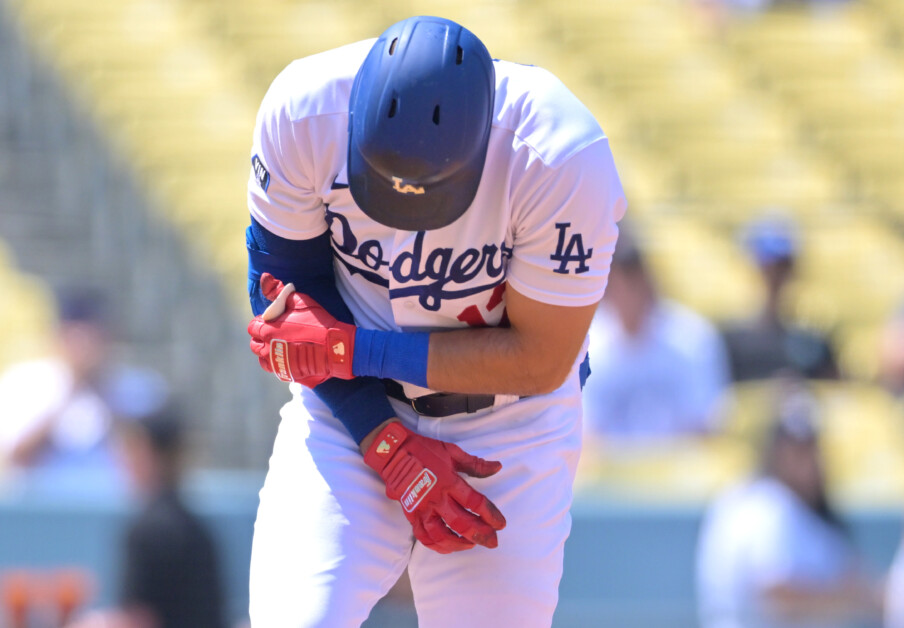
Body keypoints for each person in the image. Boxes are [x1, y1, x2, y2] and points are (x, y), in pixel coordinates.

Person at [243, 15, 626, 628]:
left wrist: (353, 350)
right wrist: (384, 440)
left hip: (509, 429)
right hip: (350, 415)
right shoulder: (305, 111)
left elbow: (540, 359)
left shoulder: (557, 155)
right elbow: (284, 294)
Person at [696, 384, 884, 628]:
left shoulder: (788, 507)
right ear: (772, 449)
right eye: (792, 449)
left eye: (808, 449)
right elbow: (779, 596)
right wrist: (856, 598)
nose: (803, 462)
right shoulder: (766, 506)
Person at [68, 403, 227, 628]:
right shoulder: (200, 530)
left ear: (149, 453)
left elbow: (138, 620)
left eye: (131, 448)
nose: (123, 460)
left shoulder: (147, 530)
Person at [0, 287, 165, 497]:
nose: (85, 348)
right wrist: (71, 391)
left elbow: (152, 463)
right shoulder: (24, 381)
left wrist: (101, 392)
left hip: (117, 506)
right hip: (43, 508)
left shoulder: (139, 388)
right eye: (76, 337)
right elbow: (17, 458)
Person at [581, 227, 730, 441]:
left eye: (633, 282)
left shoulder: (692, 338)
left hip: (683, 468)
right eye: (619, 284)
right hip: (609, 471)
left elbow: (707, 425)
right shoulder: (586, 345)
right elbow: (586, 435)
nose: (627, 295)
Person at [721, 214, 839, 382]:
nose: (775, 276)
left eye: (783, 266)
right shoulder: (730, 343)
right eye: (767, 266)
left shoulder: (814, 341)